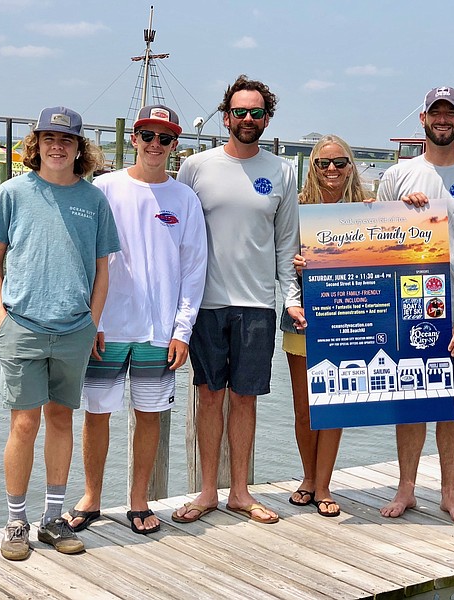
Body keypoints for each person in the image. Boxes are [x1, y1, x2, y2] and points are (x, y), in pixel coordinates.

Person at [0, 106, 120, 560]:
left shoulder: (94, 199)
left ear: (80, 148)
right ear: (36, 145)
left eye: (67, 140)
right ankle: (16, 521)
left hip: (75, 329)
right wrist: (1, 319)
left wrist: (93, 322)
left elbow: (103, 270)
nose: (57, 146)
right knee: (24, 422)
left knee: (62, 419)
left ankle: (53, 518)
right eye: (49, 138)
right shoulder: (12, 193)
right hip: (21, 325)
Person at [63, 105, 207, 536]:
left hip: (159, 331)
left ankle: (139, 499)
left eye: (165, 139)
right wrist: (89, 320)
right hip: (105, 327)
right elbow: (83, 257)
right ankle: (91, 497)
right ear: (134, 138)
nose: (156, 145)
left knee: (149, 415)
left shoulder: (185, 198)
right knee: (97, 412)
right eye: (148, 135)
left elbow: (194, 268)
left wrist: (182, 331)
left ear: (175, 145)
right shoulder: (102, 189)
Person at [172, 74, 305, 525]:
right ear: (225, 115)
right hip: (205, 304)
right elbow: (180, 240)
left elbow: (287, 248)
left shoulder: (282, 171)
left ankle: (241, 492)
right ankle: (208, 491)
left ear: (267, 118)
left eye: (257, 112)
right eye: (239, 111)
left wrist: (291, 299)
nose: (247, 119)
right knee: (208, 397)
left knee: (245, 399)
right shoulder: (194, 167)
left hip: (257, 307)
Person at [376, 86, 454, 525]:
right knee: (412, 401)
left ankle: (450, 492)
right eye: (436, 113)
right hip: (409, 306)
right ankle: (407, 487)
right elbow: (379, 241)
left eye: (450, 113)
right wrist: (404, 211)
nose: (442, 120)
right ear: (424, 119)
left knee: (452, 403)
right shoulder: (398, 175)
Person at [284, 134, 367, 517]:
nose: (332, 170)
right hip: (301, 315)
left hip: (347, 316)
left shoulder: (367, 211)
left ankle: (325, 484)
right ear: (312, 167)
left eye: (340, 162)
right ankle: (307, 478)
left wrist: (413, 201)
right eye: (323, 163)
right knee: (305, 408)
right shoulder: (294, 210)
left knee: (333, 404)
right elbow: (278, 260)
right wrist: (296, 264)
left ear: (351, 166)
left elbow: (394, 246)